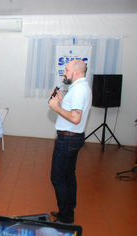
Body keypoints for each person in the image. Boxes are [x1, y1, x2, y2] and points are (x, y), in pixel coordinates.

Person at [48, 59, 92, 224]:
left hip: (67, 139)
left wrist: (56, 107)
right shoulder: (79, 88)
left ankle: (66, 217)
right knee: (68, 175)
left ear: (76, 72)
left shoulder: (79, 89)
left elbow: (75, 117)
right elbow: (73, 112)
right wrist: (60, 101)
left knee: (58, 178)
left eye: (66, 70)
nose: (64, 72)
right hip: (73, 138)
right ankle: (67, 211)